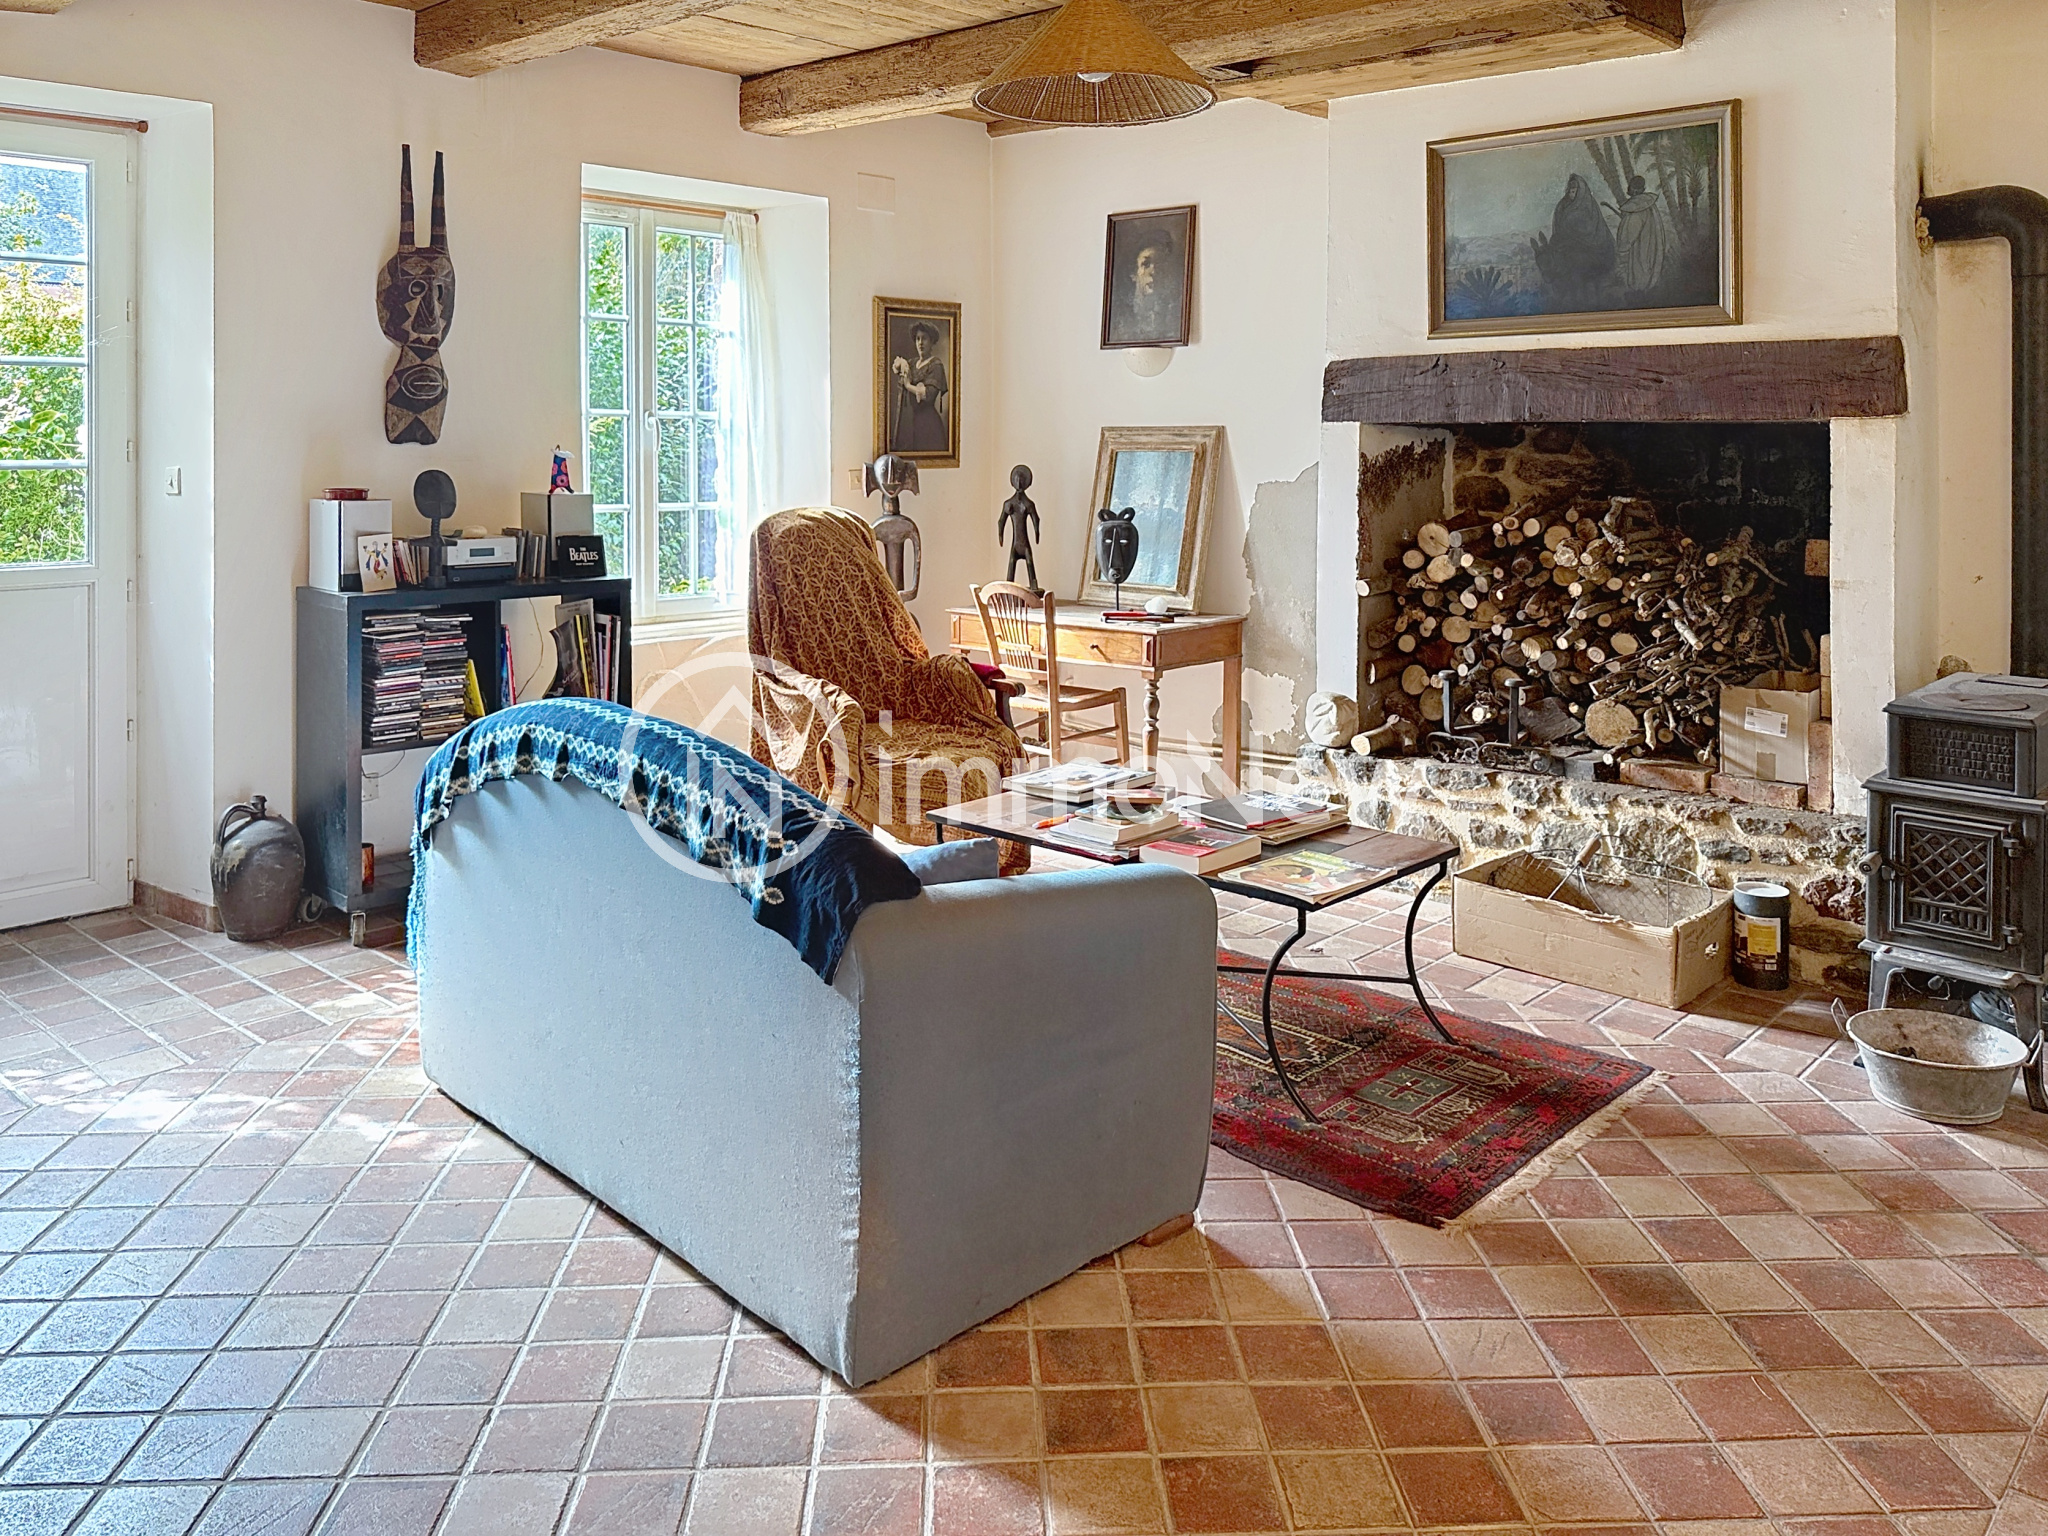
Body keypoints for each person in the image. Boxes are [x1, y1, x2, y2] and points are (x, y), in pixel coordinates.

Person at [890, 321, 949, 453]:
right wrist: (901, 364)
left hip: (929, 423)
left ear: (932, 341)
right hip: (913, 421)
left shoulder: (936, 365)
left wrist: (908, 385)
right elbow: (898, 365)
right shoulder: (912, 363)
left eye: (924, 338)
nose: (920, 343)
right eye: (918, 339)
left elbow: (928, 395)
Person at [1609, 173, 1671, 294]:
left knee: (1639, 284)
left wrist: (1621, 253)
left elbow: (1627, 238)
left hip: (1640, 254)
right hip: (1650, 252)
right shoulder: (1649, 205)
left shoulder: (1636, 210)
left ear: (1632, 189)